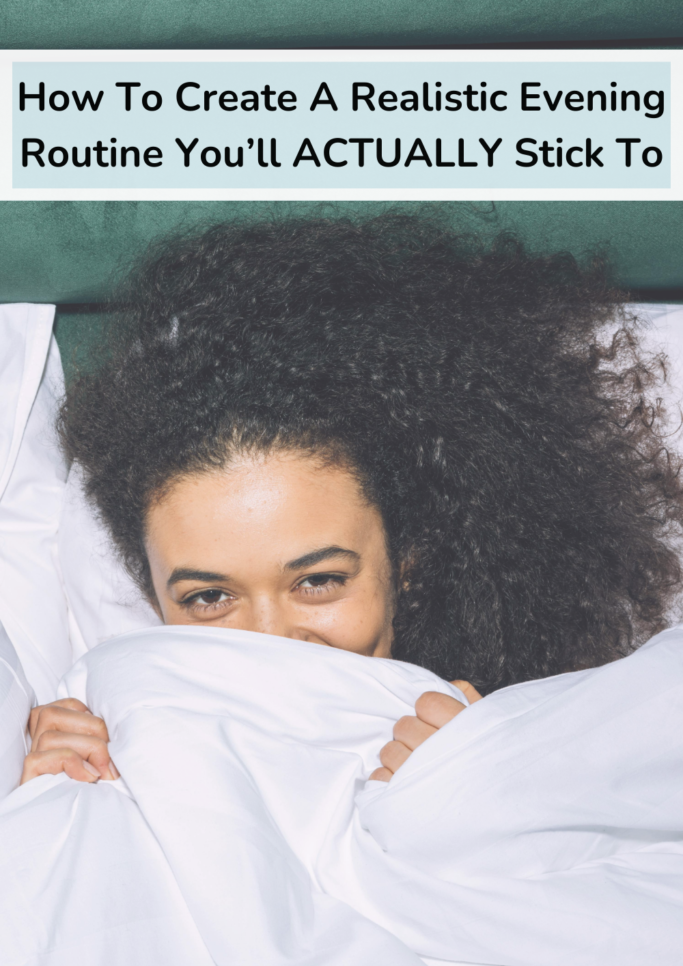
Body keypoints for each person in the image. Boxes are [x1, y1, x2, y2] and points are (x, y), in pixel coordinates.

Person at [20, 212, 683, 786]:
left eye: (316, 581)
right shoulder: (117, 744)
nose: (271, 642)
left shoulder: (561, 735)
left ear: (405, 561)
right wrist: (65, 794)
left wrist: (500, 802)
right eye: (208, 598)